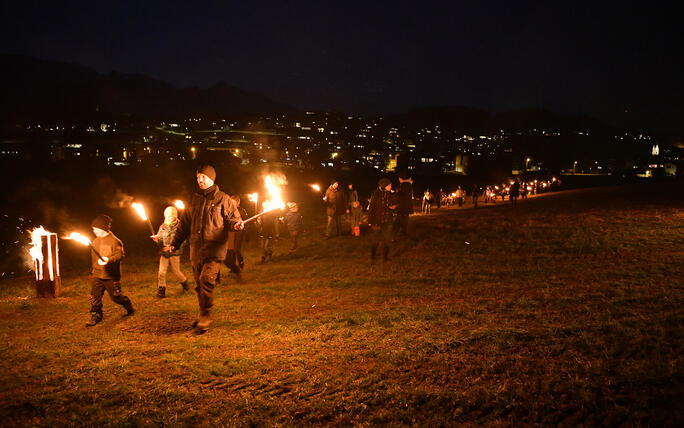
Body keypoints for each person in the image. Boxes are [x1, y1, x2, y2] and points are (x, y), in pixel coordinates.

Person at [166, 164, 243, 334]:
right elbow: (184, 225)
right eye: (198, 177)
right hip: (196, 250)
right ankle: (202, 314)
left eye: (203, 177)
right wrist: (174, 243)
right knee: (199, 285)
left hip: (215, 250)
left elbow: (232, 220)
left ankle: (206, 317)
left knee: (206, 281)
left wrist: (236, 225)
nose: (200, 180)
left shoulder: (224, 199)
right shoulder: (194, 199)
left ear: (211, 178)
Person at [86, 214, 134, 326]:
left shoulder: (115, 241)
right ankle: (96, 315)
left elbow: (120, 255)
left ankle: (127, 304)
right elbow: (94, 259)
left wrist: (108, 259)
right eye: (93, 228)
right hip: (98, 275)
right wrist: (95, 269)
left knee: (116, 297)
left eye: (96, 228)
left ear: (103, 228)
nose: (94, 231)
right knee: (95, 296)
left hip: (111, 276)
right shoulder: (95, 241)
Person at [153, 206, 189, 298]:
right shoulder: (162, 227)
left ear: (175, 216)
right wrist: (157, 239)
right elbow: (160, 238)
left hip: (174, 252)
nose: (170, 218)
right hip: (164, 252)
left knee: (176, 271)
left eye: (172, 216)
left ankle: (184, 282)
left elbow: (183, 240)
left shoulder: (180, 227)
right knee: (161, 272)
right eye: (168, 216)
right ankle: (161, 291)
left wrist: (172, 246)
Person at [367, 177, 397, 261]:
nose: (391, 186)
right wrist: (370, 221)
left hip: (388, 221)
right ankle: (372, 256)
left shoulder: (390, 194)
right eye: (389, 185)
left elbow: (394, 203)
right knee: (375, 240)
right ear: (384, 186)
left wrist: (393, 206)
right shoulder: (376, 194)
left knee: (387, 240)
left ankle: (385, 257)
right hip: (377, 221)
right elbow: (371, 208)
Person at [225, 195, 248, 274]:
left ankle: (241, 264)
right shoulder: (228, 210)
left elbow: (245, 221)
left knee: (236, 249)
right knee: (231, 251)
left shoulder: (241, 211)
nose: (231, 204)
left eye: (233, 202)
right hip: (231, 233)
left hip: (239, 233)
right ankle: (233, 267)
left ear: (238, 203)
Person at [394, 172, 413, 237]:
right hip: (406, 206)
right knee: (404, 219)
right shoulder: (407, 184)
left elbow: (403, 195)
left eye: (399, 178)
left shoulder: (405, 185)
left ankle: (398, 232)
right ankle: (403, 232)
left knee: (400, 219)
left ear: (402, 178)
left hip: (403, 206)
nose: (399, 180)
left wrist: (397, 192)